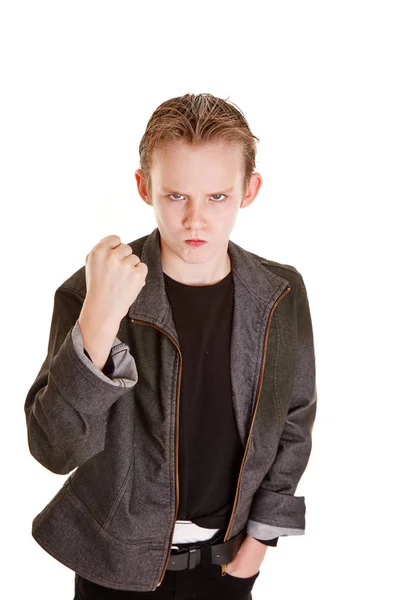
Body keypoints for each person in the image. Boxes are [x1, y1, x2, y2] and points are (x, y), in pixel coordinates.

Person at [24, 93, 317, 599]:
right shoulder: (92, 291)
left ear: (250, 190)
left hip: (227, 566)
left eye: (217, 197)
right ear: (145, 188)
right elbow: (55, 449)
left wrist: (261, 540)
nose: (195, 219)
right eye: (176, 196)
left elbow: (293, 417)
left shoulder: (280, 293)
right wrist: (98, 319)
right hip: (113, 569)